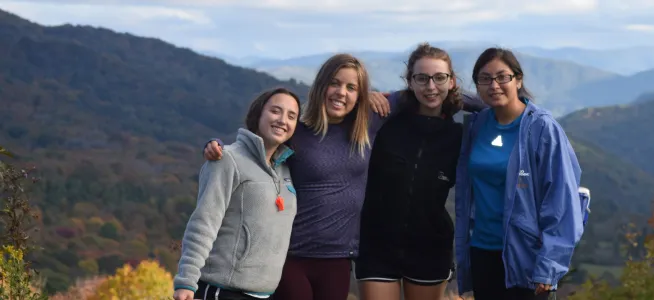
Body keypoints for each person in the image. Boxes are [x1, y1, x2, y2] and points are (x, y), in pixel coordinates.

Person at [201, 53, 487, 300]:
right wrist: (217, 146)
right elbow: (256, 143)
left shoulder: (368, 123)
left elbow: (426, 93)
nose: (341, 92)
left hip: (339, 258)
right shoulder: (297, 130)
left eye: (352, 87)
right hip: (291, 253)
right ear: (321, 85)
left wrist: (502, 104)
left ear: (360, 94)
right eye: (335, 83)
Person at [453, 47, 587, 300]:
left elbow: (562, 202)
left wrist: (549, 267)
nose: (494, 85)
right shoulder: (479, 124)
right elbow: (439, 95)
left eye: (502, 77)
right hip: (482, 251)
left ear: (518, 80)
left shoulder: (542, 129)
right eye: (485, 79)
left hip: (526, 257)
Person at [355, 43, 463, 300]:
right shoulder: (383, 122)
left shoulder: (459, 136)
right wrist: (363, 98)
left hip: (431, 247)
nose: (431, 86)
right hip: (376, 244)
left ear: (452, 81)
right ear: (410, 82)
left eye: (439, 78)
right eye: (422, 78)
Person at [173, 87, 302, 300]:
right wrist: (186, 281)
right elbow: (204, 222)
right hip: (221, 291)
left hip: (264, 294)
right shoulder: (227, 160)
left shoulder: (286, 169)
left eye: (291, 116)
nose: (282, 120)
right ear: (258, 114)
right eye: (275, 111)